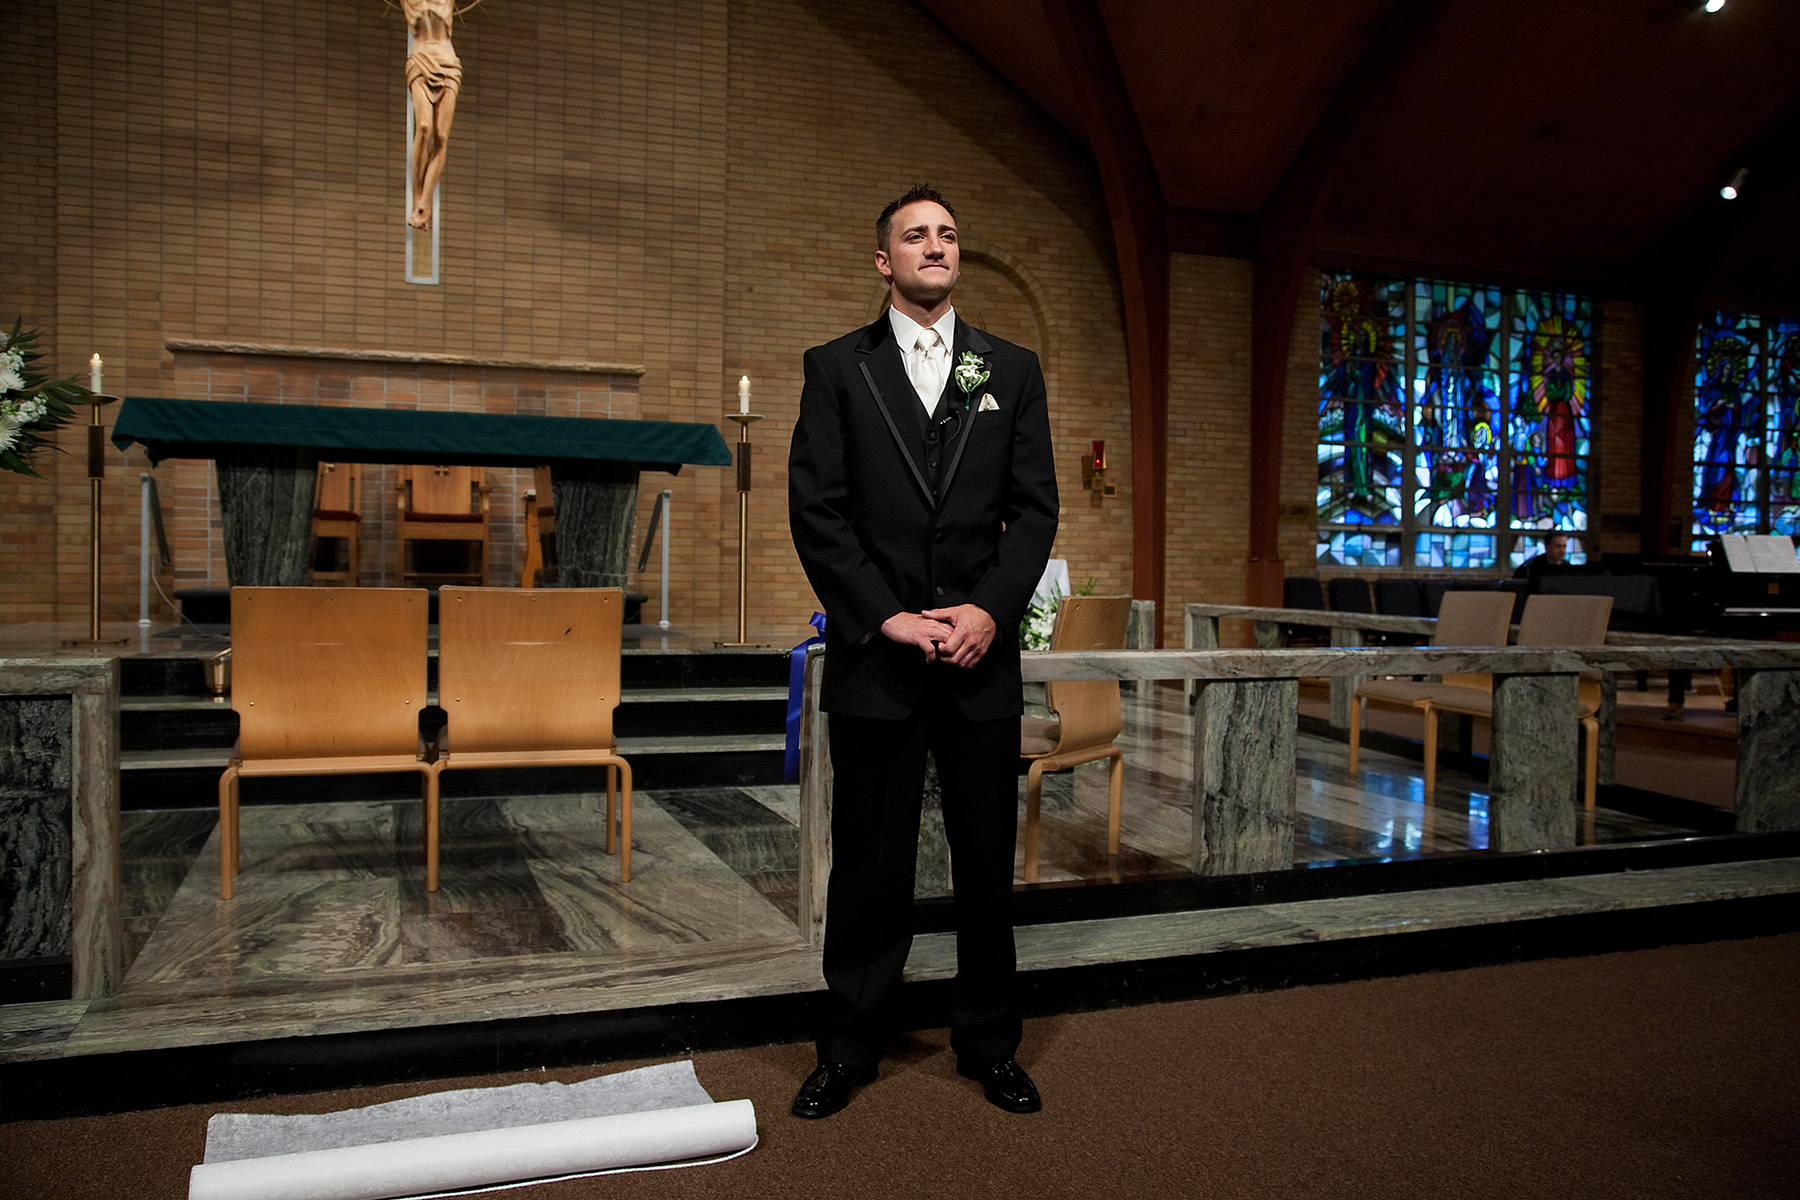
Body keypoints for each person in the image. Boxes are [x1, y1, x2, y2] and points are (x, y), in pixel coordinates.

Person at [786, 185, 1059, 1119]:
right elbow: (816, 512)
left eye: (947, 233)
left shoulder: (1010, 370)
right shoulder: (836, 370)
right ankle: (852, 1043)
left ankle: (989, 1042)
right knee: (869, 863)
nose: (935, 245)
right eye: (916, 235)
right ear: (884, 262)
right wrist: (885, 617)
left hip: (982, 660)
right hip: (880, 658)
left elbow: (1036, 513)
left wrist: (988, 610)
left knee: (986, 858)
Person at [403, 0, 462, 230]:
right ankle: (418, 195)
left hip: (448, 63)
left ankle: (424, 200)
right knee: (424, 127)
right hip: (419, 60)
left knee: (441, 135)